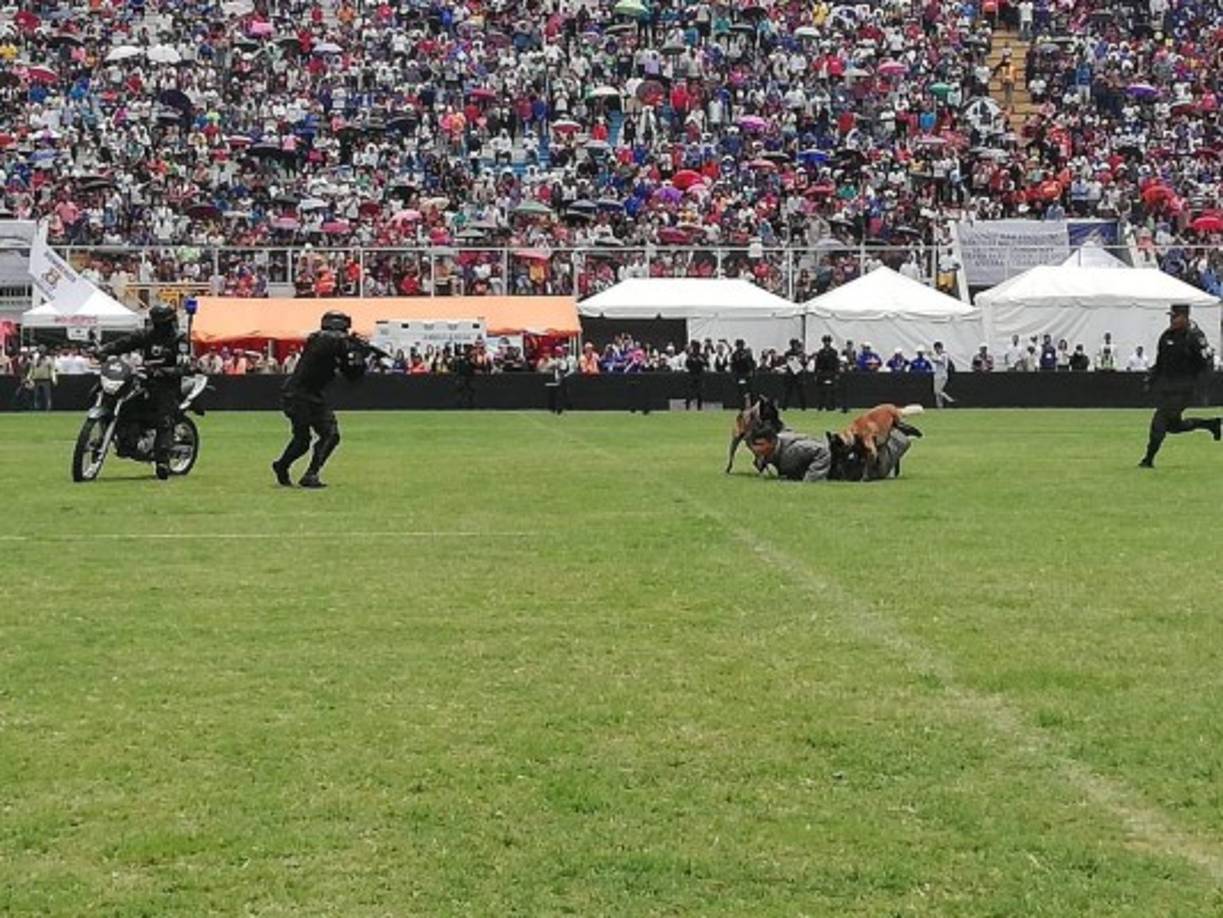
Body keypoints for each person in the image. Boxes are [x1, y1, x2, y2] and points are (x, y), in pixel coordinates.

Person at [272, 310, 368, 488]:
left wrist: (359, 359)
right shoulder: (320, 339)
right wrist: (351, 345)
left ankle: (310, 473)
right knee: (303, 440)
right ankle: (283, 465)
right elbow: (331, 341)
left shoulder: (337, 345)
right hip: (297, 394)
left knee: (330, 435)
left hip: (312, 395)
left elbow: (352, 375)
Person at [96, 304, 190, 479]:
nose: (160, 326)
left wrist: (163, 371)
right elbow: (124, 343)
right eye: (157, 322)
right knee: (126, 401)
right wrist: (104, 350)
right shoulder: (146, 334)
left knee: (164, 418)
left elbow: (184, 365)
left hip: (167, 384)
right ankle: (126, 437)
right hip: (145, 380)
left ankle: (162, 461)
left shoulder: (180, 339)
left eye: (163, 322)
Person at [1139, 304, 1221, 468]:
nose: (1172, 320)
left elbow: (1206, 364)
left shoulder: (1194, 337)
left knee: (1160, 420)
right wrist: (1151, 378)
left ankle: (1148, 460)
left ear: (1185, 317)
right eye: (1171, 316)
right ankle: (1211, 424)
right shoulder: (1166, 336)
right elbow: (1160, 362)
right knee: (1174, 426)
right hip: (1168, 388)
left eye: (1175, 317)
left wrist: (1204, 389)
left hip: (1185, 389)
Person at [811, 334, 840, 412]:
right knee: (821, 390)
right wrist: (815, 374)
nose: (827, 343)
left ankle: (831, 407)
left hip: (831, 373)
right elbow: (817, 364)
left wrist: (837, 373)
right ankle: (820, 406)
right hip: (822, 373)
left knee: (832, 390)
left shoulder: (834, 352)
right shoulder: (820, 352)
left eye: (828, 341)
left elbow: (836, 363)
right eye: (825, 341)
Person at [24, 345, 57, 411]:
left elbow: (52, 370)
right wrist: (28, 378)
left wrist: (54, 379)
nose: (41, 353)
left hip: (46, 380)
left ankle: (48, 408)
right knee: (36, 395)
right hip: (36, 380)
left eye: (43, 351)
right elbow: (31, 370)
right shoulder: (35, 360)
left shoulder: (49, 359)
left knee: (47, 395)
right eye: (40, 351)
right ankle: (37, 408)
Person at [781, 338, 806, 410]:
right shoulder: (788, 353)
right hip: (790, 375)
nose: (795, 345)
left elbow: (804, 363)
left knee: (801, 392)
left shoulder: (801, 353)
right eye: (793, 344)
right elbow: (786, 362)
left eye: (796, 344)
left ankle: (803, 407)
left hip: (799, 375)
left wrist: (801, 360)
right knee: (788, 392)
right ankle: (784, 407)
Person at [729, 338, 756, 408]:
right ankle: (742, 406)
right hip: (739, 375)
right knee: (740, 392)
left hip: (747, 375)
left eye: (741, 345)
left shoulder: (747, 353)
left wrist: (751, 371)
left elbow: (752, 364)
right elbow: (733, 366)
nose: (740, 347)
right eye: (738, 345)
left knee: (749, 392)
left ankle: (751, 405)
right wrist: (735, 376)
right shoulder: (735, 354)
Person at [931, 341, 956, 408]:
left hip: (942, 375)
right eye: (935, 349)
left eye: (937, 349)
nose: (936, 351)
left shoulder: (944, 355)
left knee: (938, 391)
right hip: (937, 375)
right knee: (937, 393)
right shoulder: (938, 355)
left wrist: (931, 355)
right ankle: (940, 406)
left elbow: (938, 360)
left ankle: (949, 399)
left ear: (940, 348)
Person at [683, 340, 707, 410]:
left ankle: (699, 407)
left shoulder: (701, 355)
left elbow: (706, 364)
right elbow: (687, 365)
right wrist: (691, 360)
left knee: (699, 393)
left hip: (699, 375)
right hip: (692, 375)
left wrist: (701, 360)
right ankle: (687, 407)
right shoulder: (690, 356)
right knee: (689, 392)